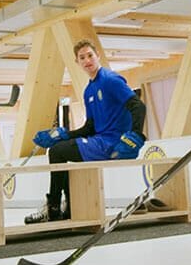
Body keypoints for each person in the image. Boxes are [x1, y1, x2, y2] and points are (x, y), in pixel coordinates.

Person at [25, 39, 147, 224]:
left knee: (58, 152)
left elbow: (138, 106)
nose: (87, 60)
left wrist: (136, 134)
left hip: (114, 143)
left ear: (98, 56)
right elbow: (89, 128)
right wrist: (63, 134)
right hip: (99, 140)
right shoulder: (88, 91)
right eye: (82, 57)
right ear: (77, 62)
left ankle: (54, 208)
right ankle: (68, 207)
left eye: (90, 55)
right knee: (58, 147)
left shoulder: (110, 80)